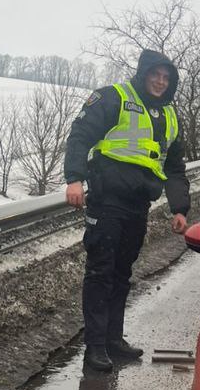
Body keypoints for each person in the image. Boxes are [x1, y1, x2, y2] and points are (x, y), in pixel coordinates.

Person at [64, 49, 191, 372]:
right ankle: (94, 347)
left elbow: (175, 168)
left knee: (122, 273)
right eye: (155, 75)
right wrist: (74, 179)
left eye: (166, 78)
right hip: (107, 200)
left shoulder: (169, 116)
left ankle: (113, 340)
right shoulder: (113, 97)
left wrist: (180, 208)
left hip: (139, 205)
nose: (160, 82)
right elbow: (80, 136)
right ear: (144, 73)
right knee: (100, 271)